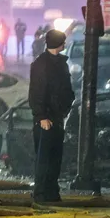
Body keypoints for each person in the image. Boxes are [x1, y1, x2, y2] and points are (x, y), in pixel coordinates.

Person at [28, 29, 75, 204]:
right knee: (44, 158)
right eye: (63, 41)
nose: (65, 43)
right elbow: (36, 92)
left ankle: (51, 193)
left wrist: (64, 110)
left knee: (55, 158)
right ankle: (41, 194)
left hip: (57, 117)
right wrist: (41, 116)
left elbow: (64, 89)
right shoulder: (41, 64)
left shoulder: (60, 63)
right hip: (46, 119)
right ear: (59, 43)